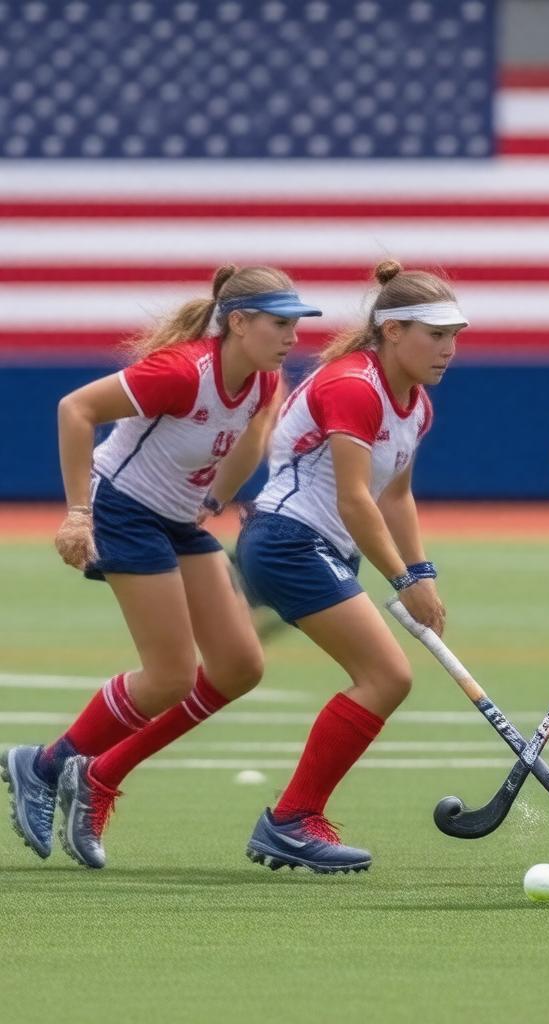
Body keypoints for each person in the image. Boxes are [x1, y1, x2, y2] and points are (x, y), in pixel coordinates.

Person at [1, 266, 322, 868]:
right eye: (280, 323)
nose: (291, 336)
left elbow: (254, 436)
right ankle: (44, 766)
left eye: (295, 324)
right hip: (124, 511)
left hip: (178, 519)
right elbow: (75, 409)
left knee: (240, 665)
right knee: (172, 674)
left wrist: (214, 501)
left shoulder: (261, 377)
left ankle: (80, 772)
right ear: (238, 322)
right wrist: (77, 514)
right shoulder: (180, 371)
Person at [232, 259, 462, 874]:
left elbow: (395, 497)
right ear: (391, 332)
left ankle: (87, 766)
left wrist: (425, 572)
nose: (448, 350)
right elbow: (354, 498)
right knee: (387, 676)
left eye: (454, 336)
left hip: (318, 547)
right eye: (435, 336)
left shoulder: (416, 405)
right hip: (286, 539)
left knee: (217, 677)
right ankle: (290, 819)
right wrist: (404, 581)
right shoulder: (354, 384)